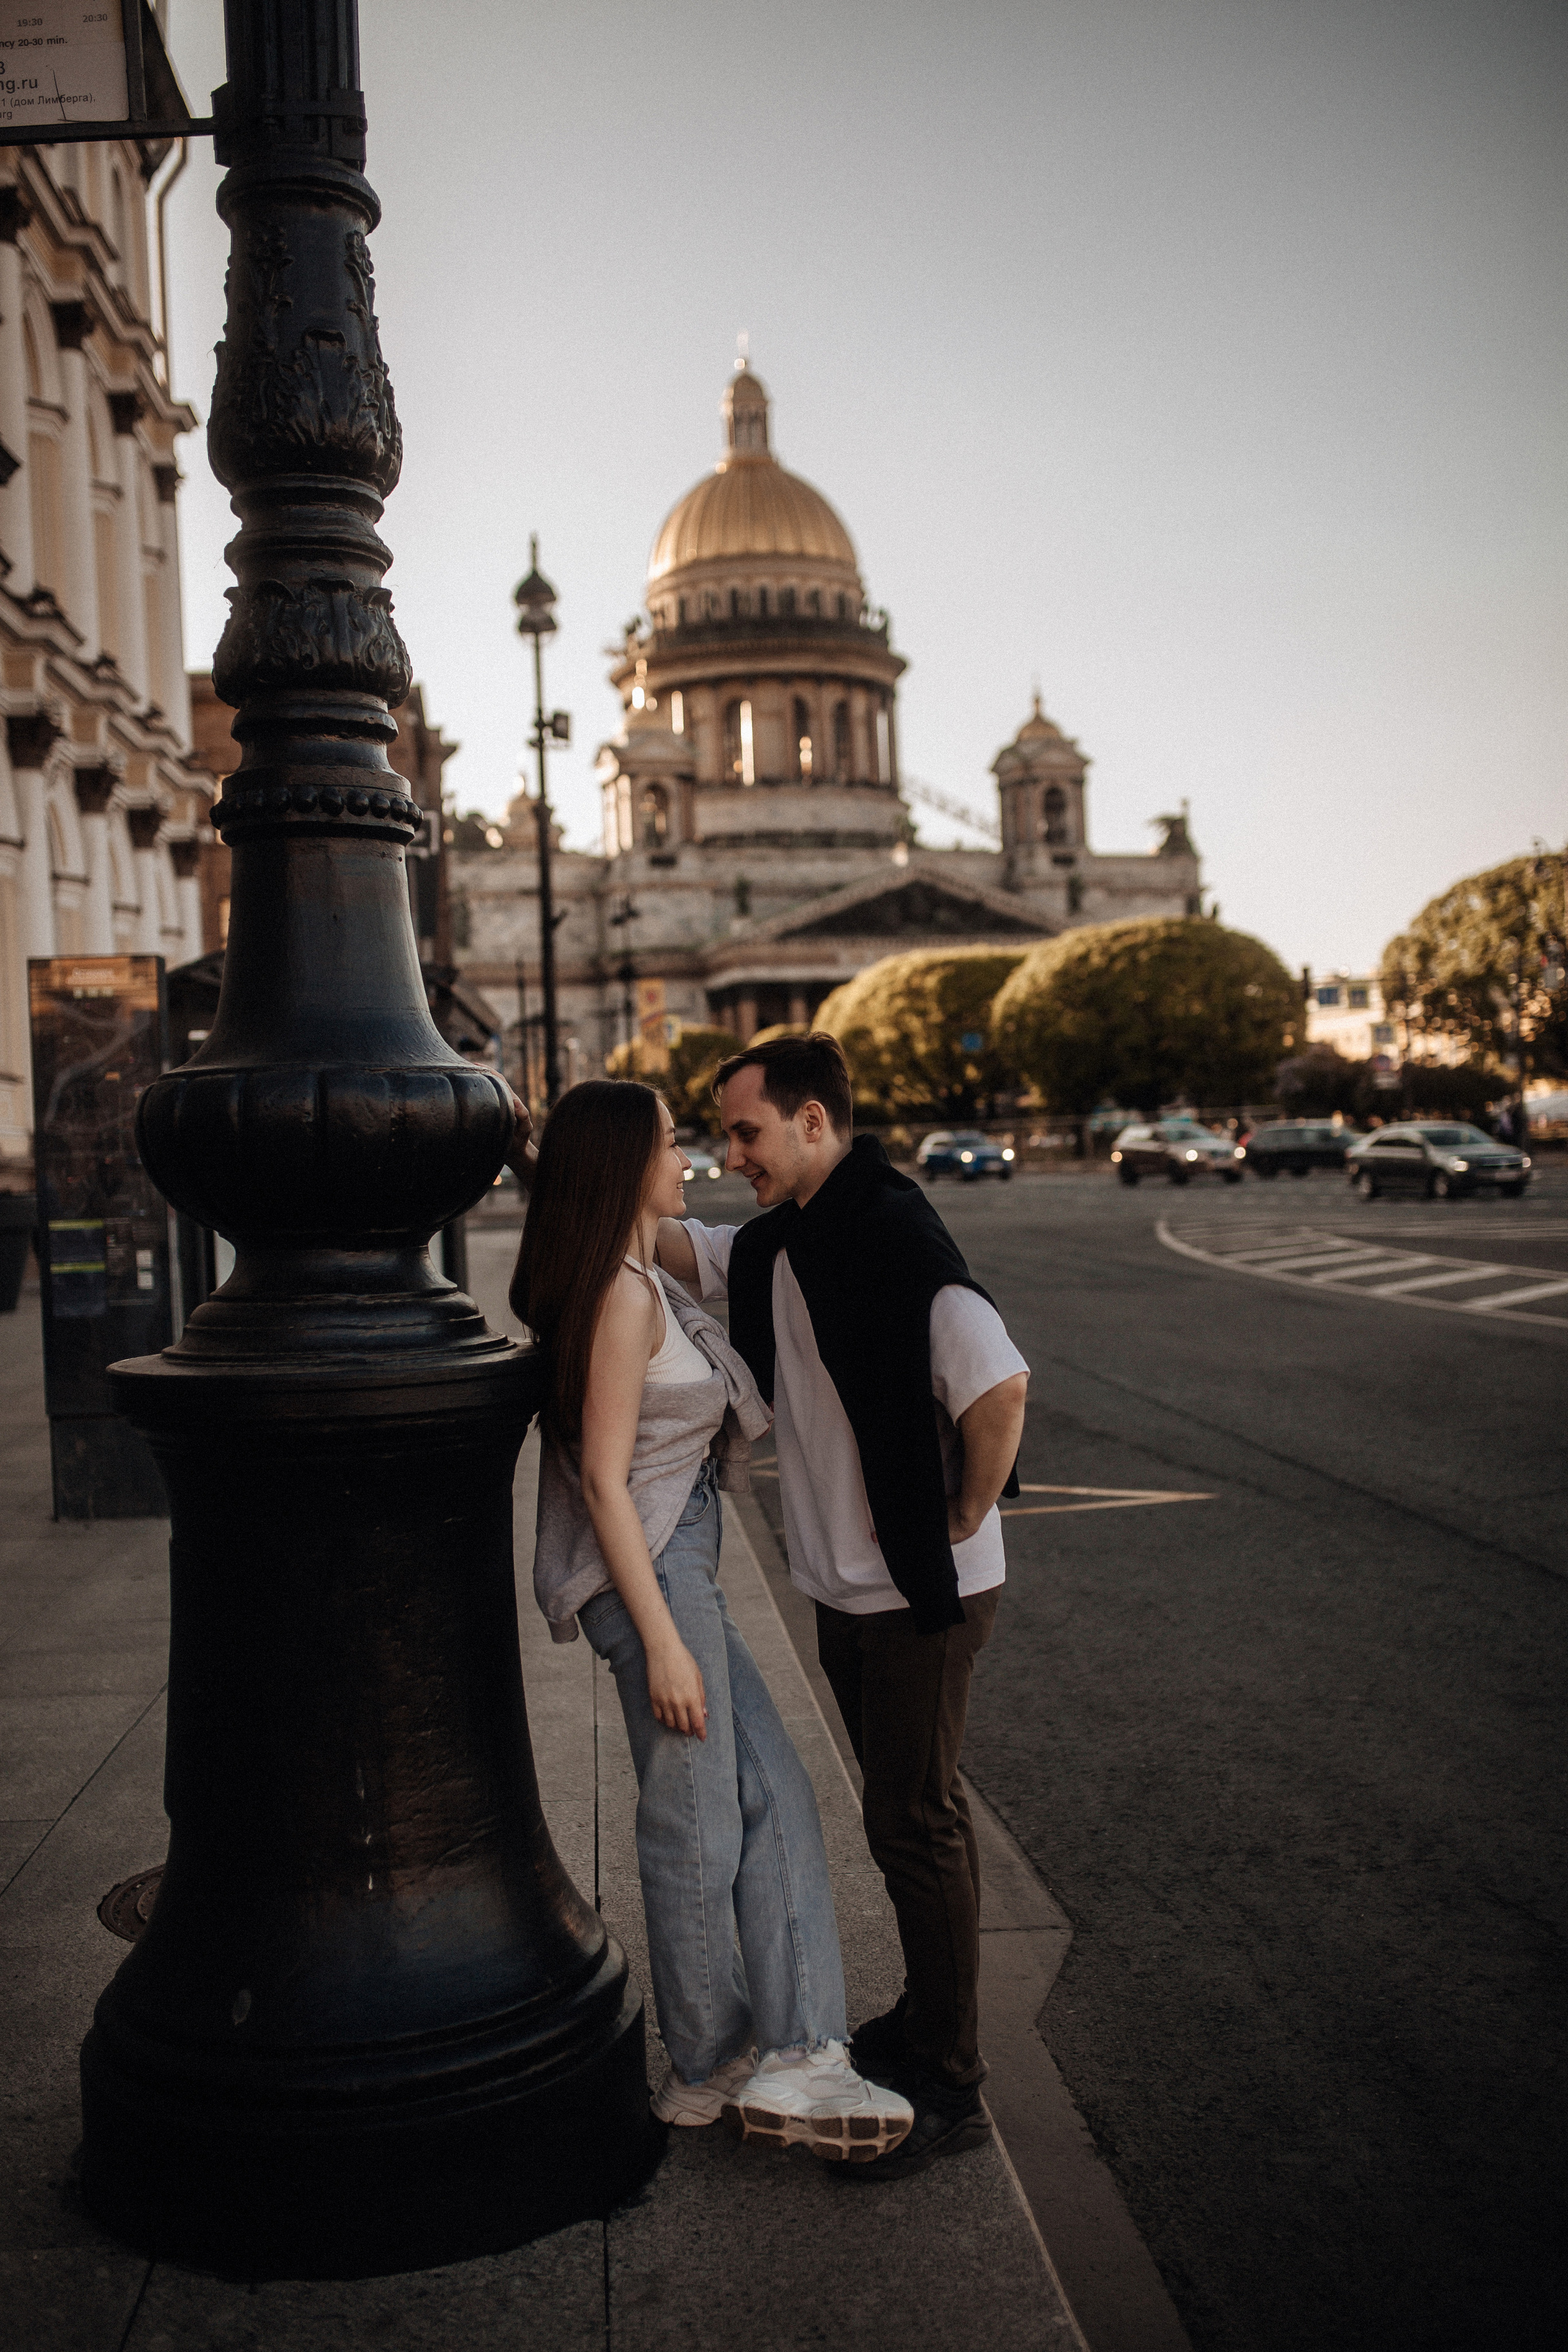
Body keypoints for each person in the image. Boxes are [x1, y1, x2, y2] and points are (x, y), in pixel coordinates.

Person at [510, 1078, 913, 2162]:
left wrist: (519, 1143)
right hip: (644, 1572)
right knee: (699, 1822)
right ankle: (716, 2066)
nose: (685, 1152)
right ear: (622, 1165)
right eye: (667, 1139)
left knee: (772, 1793)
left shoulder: (640, 1267)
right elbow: (601, 1482)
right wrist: (666, 1642)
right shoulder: (621, 1294)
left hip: (672, 1554)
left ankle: (788, 2053)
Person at [654, 1033, 1029, 2183]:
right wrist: (567, 1157)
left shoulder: (891, 1230)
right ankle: (926, 2024)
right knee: (899, 1817)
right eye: (722, 1137)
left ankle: (952, 2087)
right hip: (846, 1587)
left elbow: (998, 1378)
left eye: (748, 1133)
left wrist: (963, 1512)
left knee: (916, 1824)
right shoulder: (779, 1242)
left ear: (815, 1122)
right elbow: (681, 1246)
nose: (733, 1155)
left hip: (921, 1593)